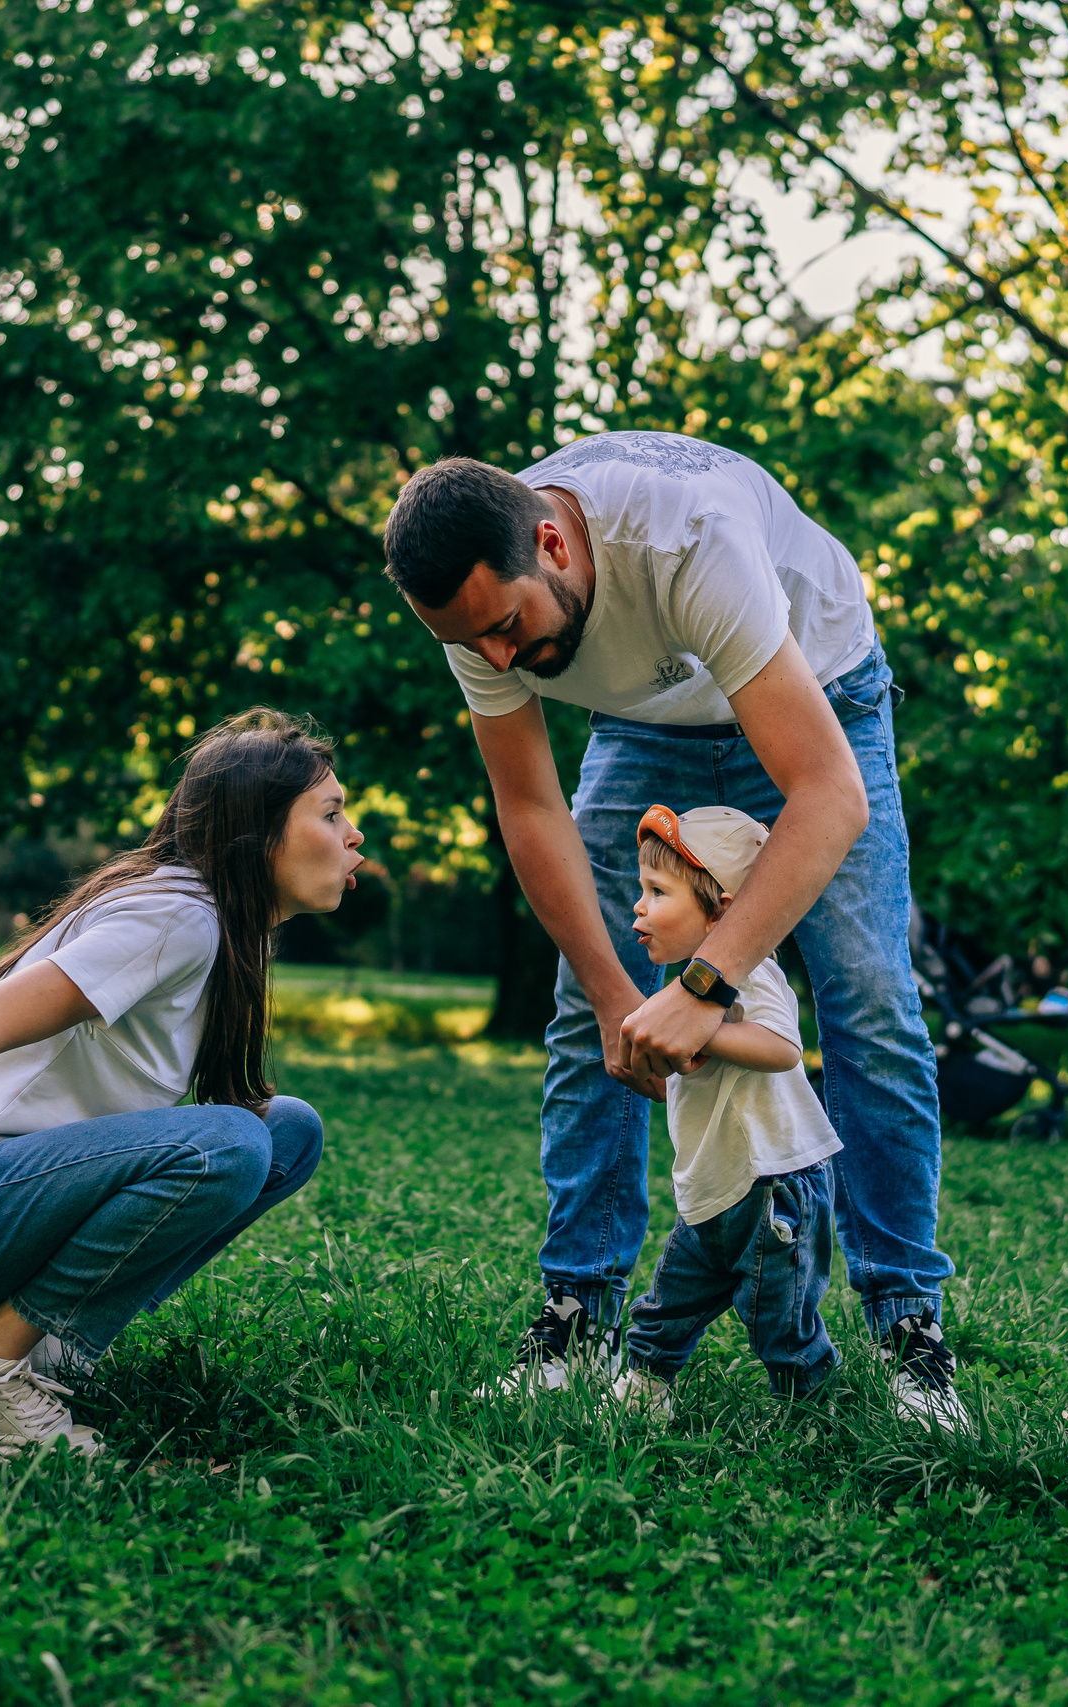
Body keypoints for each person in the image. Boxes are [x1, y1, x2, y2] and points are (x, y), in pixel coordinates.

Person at [382, 432, 964, 1425]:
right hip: (648, 725)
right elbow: (529, 813)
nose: (496, 659)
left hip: (820, 696)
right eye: (470, 642)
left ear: (553, 546)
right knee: (584, 1018)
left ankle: (909, 1332)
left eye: (508, 629)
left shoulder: (685, 540)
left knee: (867, 1000)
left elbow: (827, 797)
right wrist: (620, 999)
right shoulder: (480, 606)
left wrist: (702, 988)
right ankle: (577, 1316)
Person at [0, 709, 366, 1455]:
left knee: (286, 1131)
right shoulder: (177, 920)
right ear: (259, 832)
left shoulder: (221, 925)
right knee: (230, 1142)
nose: (353, 834)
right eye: (331, 811)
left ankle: (39, 1349)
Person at [609, 805, 843, 1417]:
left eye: (658, 892)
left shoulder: (752, 976)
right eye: (642, 889)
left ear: (724, 907)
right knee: (670, 1301)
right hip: (715, 1190)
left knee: (778, 1317)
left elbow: (783, 1050)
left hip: (773, 1187)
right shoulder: (681, 985)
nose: (639, 906)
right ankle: (645, 1387)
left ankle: (811, 1410)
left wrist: (701, 1036)